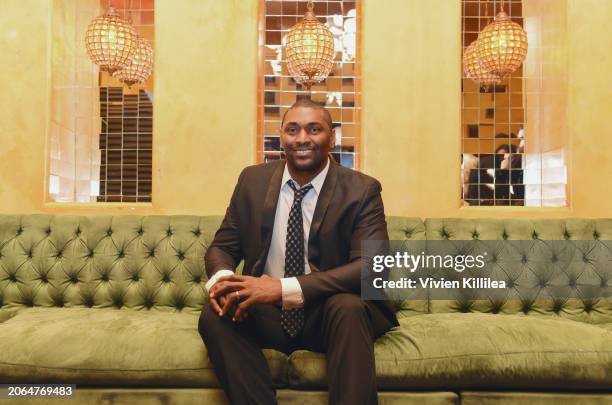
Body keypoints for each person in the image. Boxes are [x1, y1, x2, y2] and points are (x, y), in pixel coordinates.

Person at [198, 99, 398, 405]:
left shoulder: (361, 190)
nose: (302, 138)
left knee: (348, 306)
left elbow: (372, 268)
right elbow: (222, 247)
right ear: (282, 136)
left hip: (327, 312)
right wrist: (227, 283)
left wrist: (280, 289)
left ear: (332, 137)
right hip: (268, 314)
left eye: (314, 129)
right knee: (216, 314)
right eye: (292, 130)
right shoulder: (252, 181)